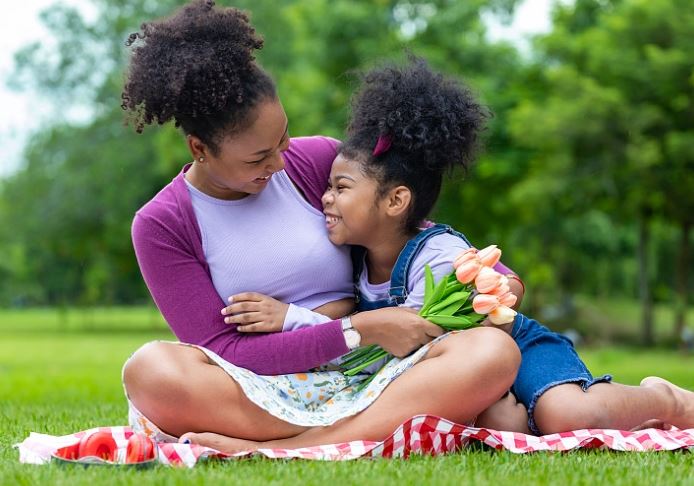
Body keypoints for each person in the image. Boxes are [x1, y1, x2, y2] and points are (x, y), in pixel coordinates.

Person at [182, 57, 694, 452]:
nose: (324, 197)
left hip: (514, 347)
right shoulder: (360, 255)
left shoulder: (439, 254)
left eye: (339, 188)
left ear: (395, 201)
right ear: (200, 148)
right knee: (507, 424)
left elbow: (427, 330)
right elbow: (364, 326)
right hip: (463, 369)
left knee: (565, 414)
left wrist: (500, 279)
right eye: (330, 187)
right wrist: (295, 318)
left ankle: (665, 399)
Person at [121, 0, 520, 445]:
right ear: (199, 149)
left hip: (384, 371)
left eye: (282, 137)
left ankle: (300, 448)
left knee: (492, 350)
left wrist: (489, 277)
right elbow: (223, 350)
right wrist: (356, 330)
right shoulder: (163, 224)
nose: (278, 161)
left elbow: (402, 221)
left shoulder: (311, 160)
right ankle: (360, 431)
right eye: (258, 157)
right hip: (269, 389)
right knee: (150, 370)